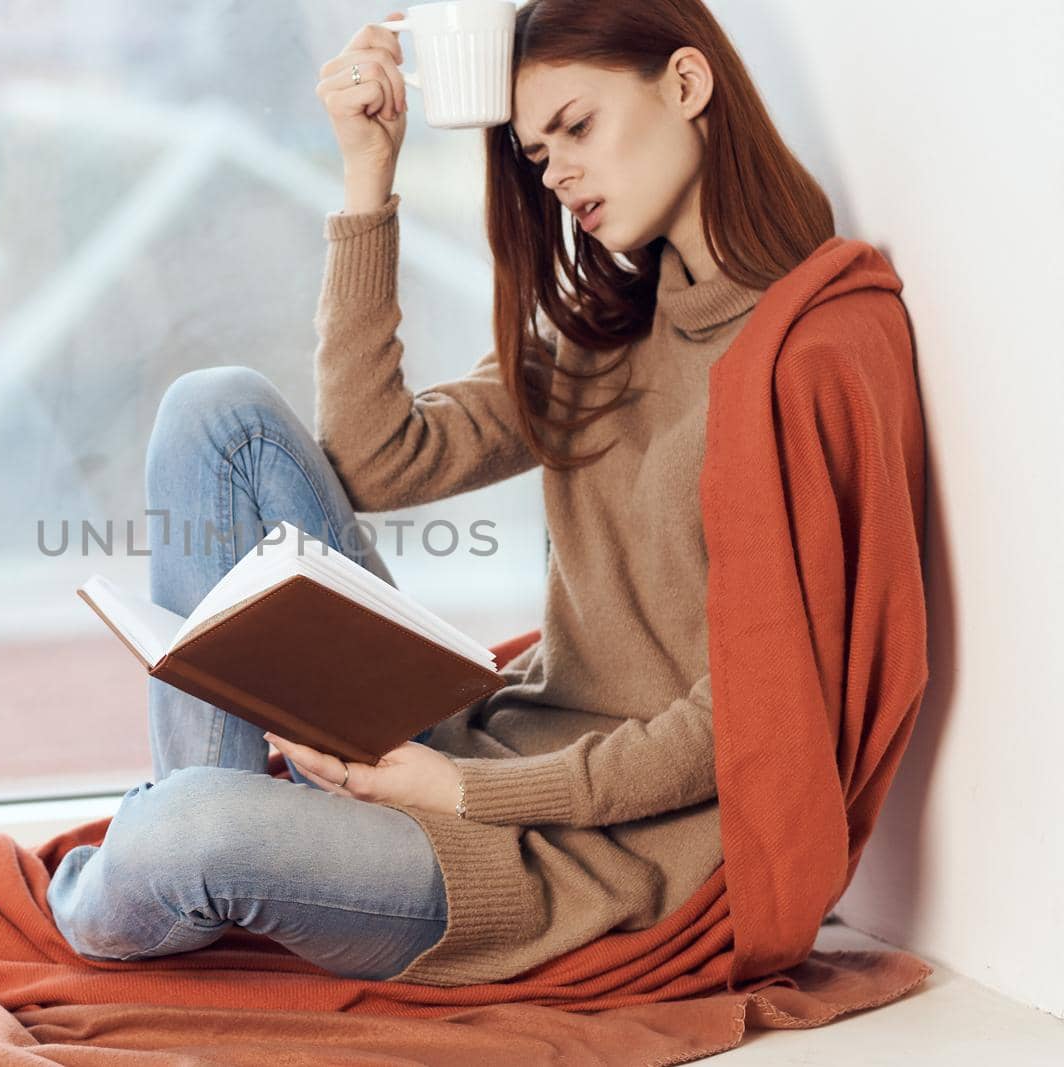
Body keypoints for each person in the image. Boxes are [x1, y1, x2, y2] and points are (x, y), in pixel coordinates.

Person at [47, 0, 852, 987]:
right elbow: (378, 456)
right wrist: (368, 172)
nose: (553, 171)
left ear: (686, 85)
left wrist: (461, 792)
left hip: (571, 851)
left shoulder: (803, 351)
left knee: (179, 831)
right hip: (474, 749)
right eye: (534, 148)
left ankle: (177, 851)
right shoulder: (607, 334)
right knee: (216, 412)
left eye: (577, 127)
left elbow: (740, 722)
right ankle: (214, 840)